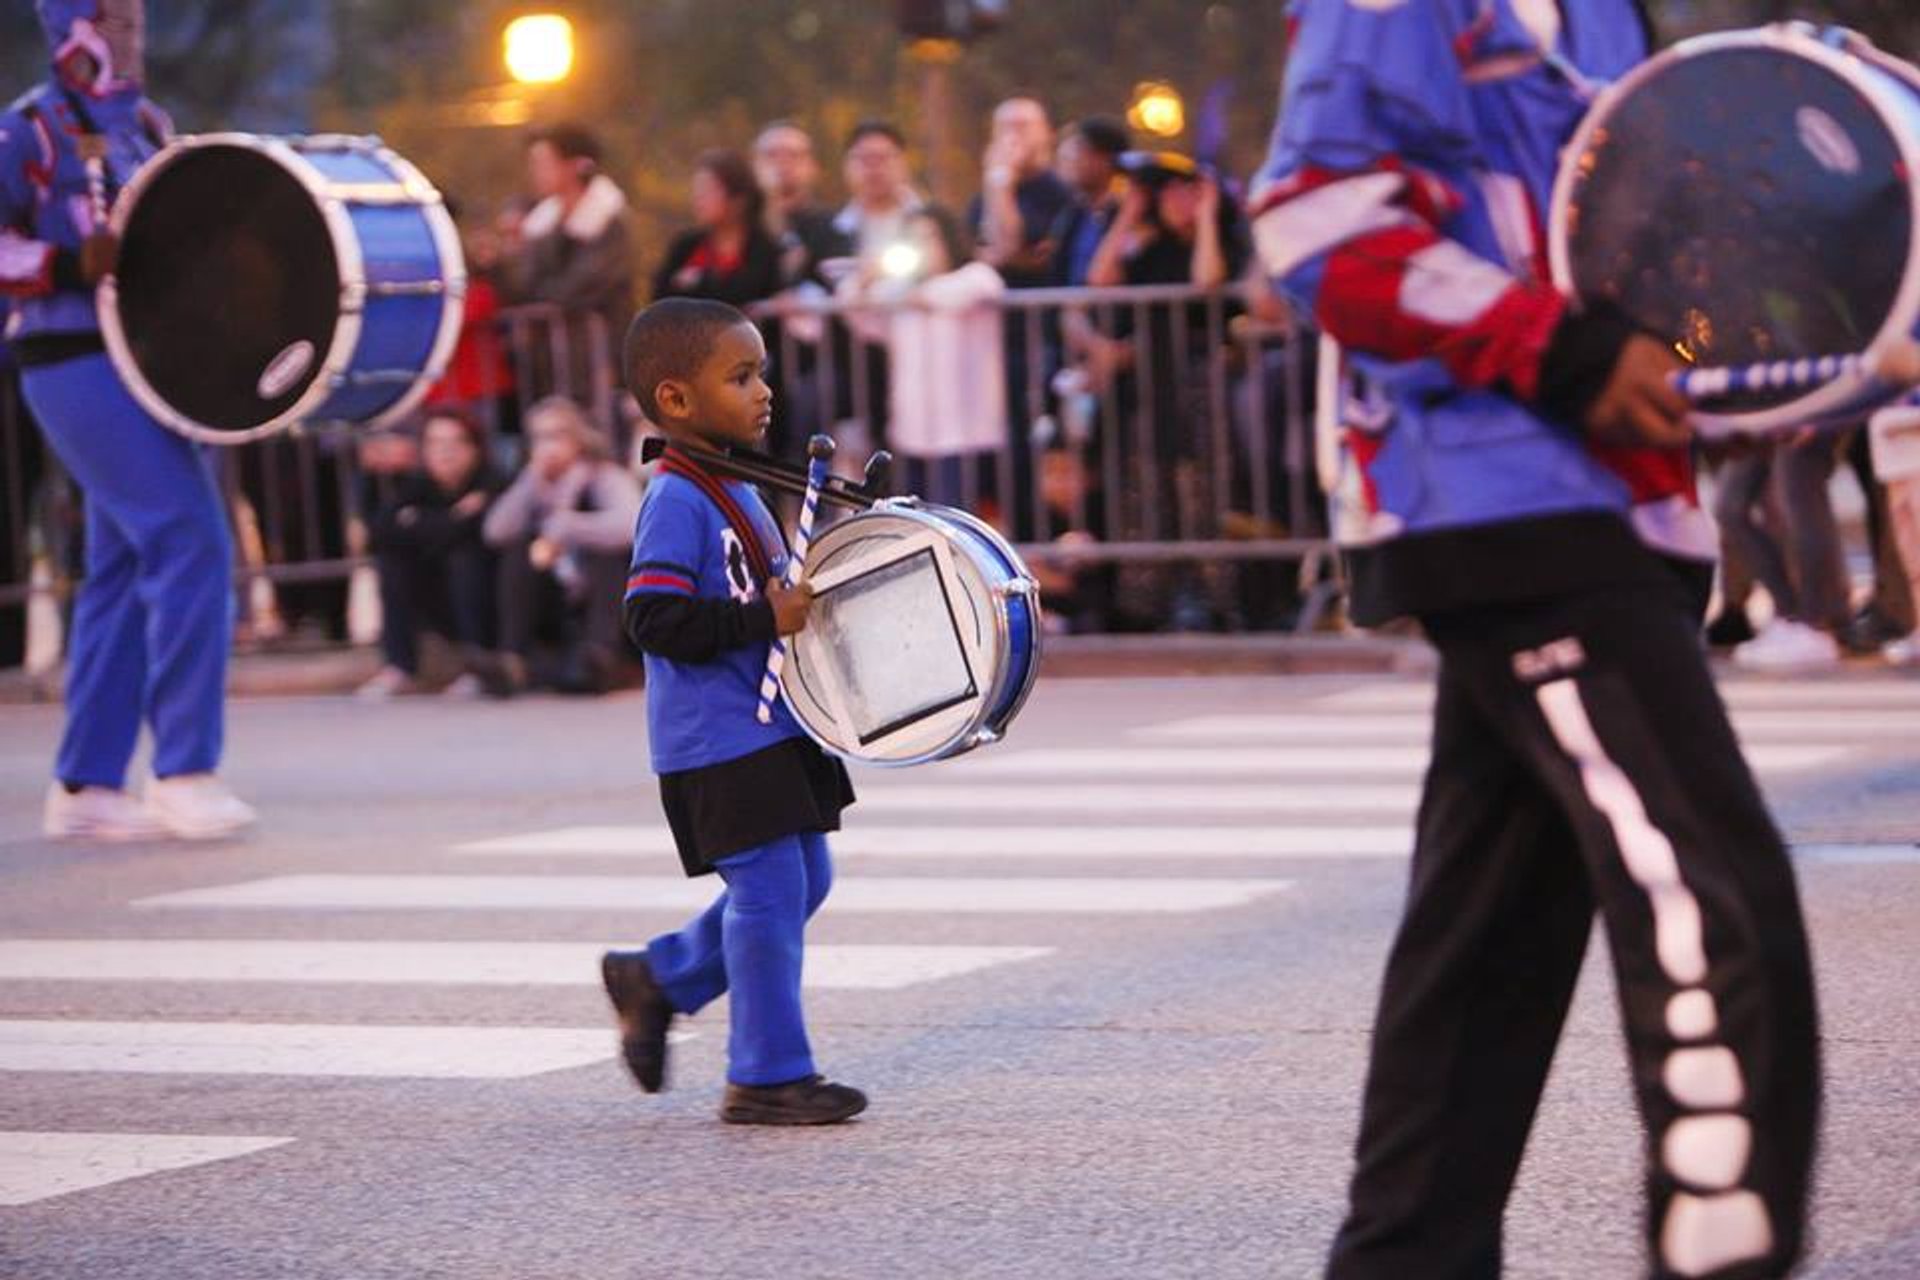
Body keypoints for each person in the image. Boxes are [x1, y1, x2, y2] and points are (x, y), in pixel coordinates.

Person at [1256, 5, 1818, 1278]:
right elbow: (1316, 223)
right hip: (1496, 497)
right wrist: (1563, 353)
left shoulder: (1615, 15)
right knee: (1710, 893)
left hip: (1619, 503)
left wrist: (1707, 366)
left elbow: (1639, 269)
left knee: (1487, 952)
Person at [600, 297, 865, 1125]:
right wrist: (764, 619)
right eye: (740, 376)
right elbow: (652, 620)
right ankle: (766, 1074)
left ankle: (661, 977)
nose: (763, 392)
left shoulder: (736, 483)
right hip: (716, 738)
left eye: (762, 374)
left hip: (771, 724)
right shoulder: (678, 498)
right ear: (676, 400)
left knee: (802, 880)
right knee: (769, 889)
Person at [2, 0, 255, 841]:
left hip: (150, 365)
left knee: (119, 564)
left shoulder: (147, 121)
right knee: (190, 539)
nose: (131, 31)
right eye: (113, 16)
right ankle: (184, 770)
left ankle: (86, 785)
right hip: (70, 358)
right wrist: (69, 260)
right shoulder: (29, 129)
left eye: (136, 17)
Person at [837, 205, 1005, 509]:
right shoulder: (899, 292)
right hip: (910, 431)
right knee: (914, 524)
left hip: (961, 434)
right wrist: (866, 277)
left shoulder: (975, 276)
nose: (924, 247)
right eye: (914, 240)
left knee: (953, 525)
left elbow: (977, 288)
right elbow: (853, 311)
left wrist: (909, 296)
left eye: (930, 236)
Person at [477, 395, 640, 696]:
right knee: (519, 549)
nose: (547, 445)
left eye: (556, 435)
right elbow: (495, 532)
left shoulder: (603, 476)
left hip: (605, 603)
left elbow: (631, 527)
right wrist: (530, 482)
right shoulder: (534, 484)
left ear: (577, 438)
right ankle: (513, 659)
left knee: (604, 552)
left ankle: (600, 656)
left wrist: (570, 525)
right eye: (539, 437)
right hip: (557, 601)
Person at [499, 124, 637, 438]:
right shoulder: (541, 225)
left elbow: (586, 284)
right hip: (551, 362)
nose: (535, 172)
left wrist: (543, 298)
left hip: (600, 358)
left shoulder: (609, 220)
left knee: (603, 438)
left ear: (575, 165)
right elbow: (522, 286)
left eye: (543, 162)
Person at [358, 410, 504, 699]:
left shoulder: (492, 481)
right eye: (435, 443)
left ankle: (477, 667)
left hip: (491, 603)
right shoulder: (418, 484)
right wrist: (453, 518)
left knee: (463, 558)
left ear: (475, 448)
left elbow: (475, 534)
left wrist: (418, 522)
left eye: (456, 442)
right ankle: (399, 667)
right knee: (393, 562)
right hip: (437, 600)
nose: (446, 452)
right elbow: (380, 533)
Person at [651, 149, 785, 311]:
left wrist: (699, 281)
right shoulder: (686, 245)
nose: (698, 198)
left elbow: (747, 295)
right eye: (697, 190)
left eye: (708, 190)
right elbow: (661, 300)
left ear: (738, 199)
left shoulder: (765, 248)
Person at [967, 96, 1074, 291]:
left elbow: (1006, 251)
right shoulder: (983, 195)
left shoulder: (1061, 194)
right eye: (1004, 127)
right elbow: (974, 250)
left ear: (1047, 133)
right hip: (996, 313)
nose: (1012, 136)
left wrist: (1000, 182)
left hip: (1044, 309)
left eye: (1022, 126)